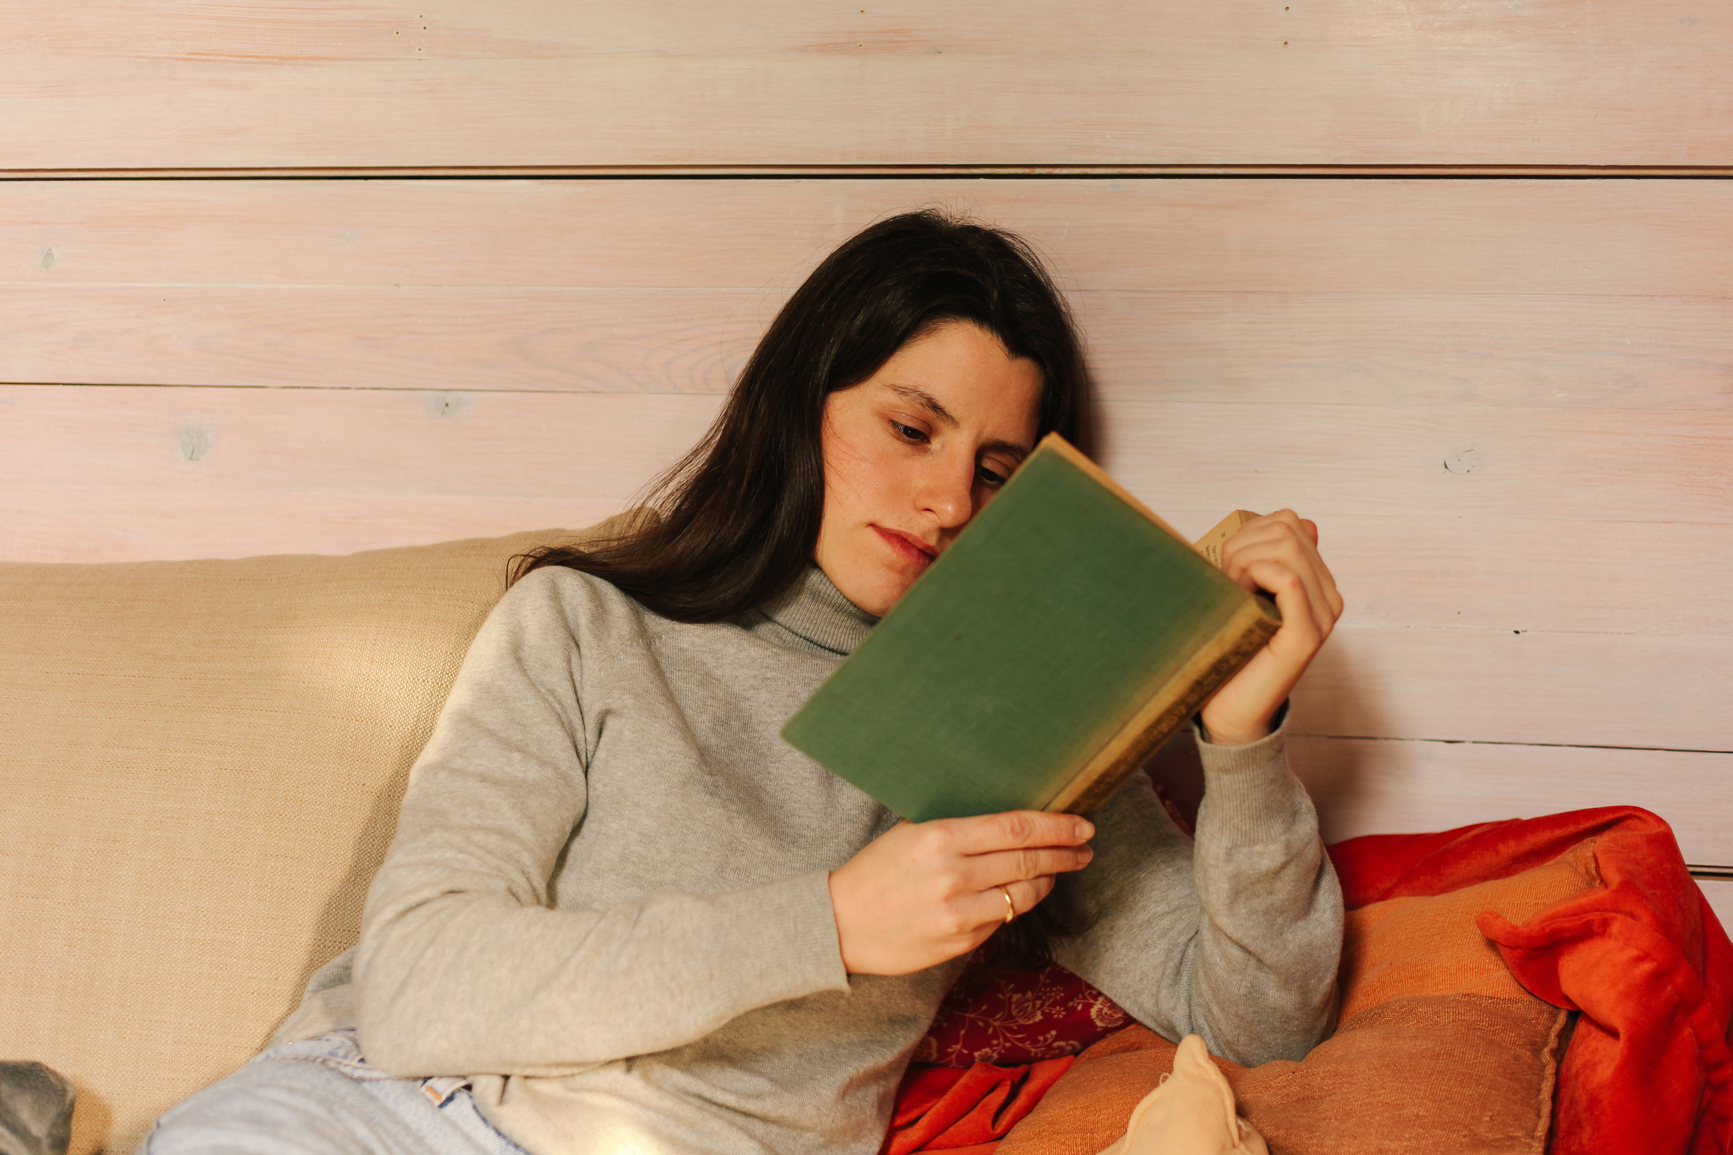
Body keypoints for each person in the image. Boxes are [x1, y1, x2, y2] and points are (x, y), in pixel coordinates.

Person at [140, 210, 1344, 1155]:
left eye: (994, 470)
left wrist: (1240, 735)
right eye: (908, 429)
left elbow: (1260, 1021)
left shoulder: (1026, 723)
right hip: (393, 1112)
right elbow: (413, 986)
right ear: (797, 405)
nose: (944, 502)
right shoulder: (587, 622)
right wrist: (826, 925)